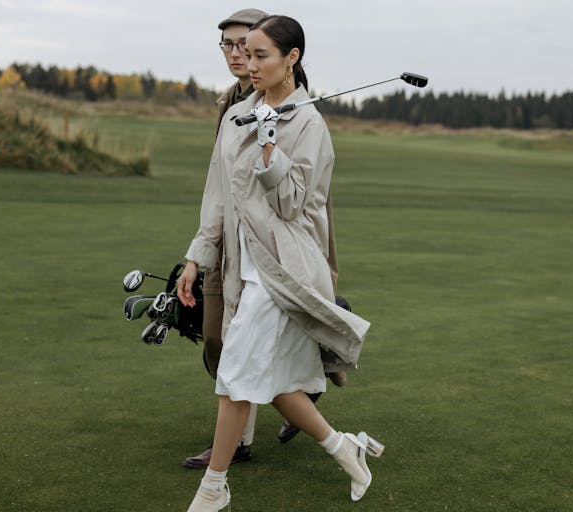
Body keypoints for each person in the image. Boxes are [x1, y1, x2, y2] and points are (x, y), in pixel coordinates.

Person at [177, 15, 382, 511]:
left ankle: (213, 489)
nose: (248, 62)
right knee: (276, 385)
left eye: (260, 54)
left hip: (283, 272)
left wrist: (271, 144)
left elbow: (292, 203)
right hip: (241, 271)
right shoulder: (236, 115)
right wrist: (196, 256)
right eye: (245, 52)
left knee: (235, 378)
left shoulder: (307, 122)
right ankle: (344, 447)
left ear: (291, 58)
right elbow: (219, 195)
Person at [183, 7, 269, 471]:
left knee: (239, 344)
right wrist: (199, 252)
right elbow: (219, 185)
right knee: (215, 341)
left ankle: (236, 442)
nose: (237, 55)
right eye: (229, 46)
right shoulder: (229, 101)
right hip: (222, 240)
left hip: (260, 249)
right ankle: (300, 397)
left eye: (247, 46)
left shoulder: (282, 103)